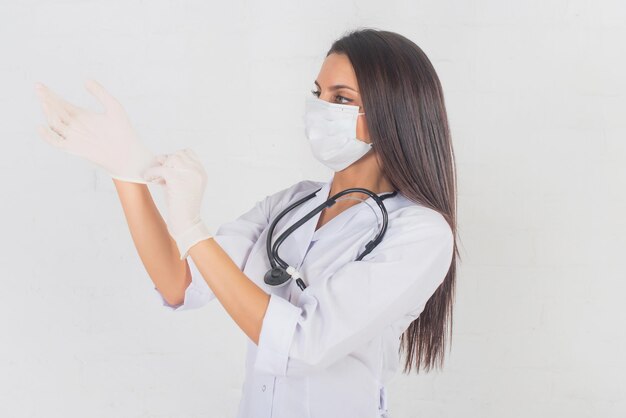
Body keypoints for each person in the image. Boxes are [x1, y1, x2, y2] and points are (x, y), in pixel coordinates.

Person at [35, 28, 459, 418]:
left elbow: (300, 344)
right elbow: (179, 282)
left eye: (341, 99)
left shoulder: (420, 233)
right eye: (317, 93)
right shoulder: (293, 204)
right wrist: (127, 171)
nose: (320, 109)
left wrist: (192, 229)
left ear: (392, 112)